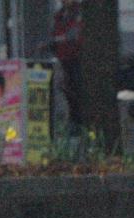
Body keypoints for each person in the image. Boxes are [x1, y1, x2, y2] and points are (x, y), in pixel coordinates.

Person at [51, 0, 84, 128]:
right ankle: (72, 119)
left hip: (76, 58)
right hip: (63, 57)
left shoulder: (79, 12)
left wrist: (55, 41)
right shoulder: (60, 14)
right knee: (65, 88)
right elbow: (55, 31)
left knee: (75, 88)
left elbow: (74, 35)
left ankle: (78, 121)